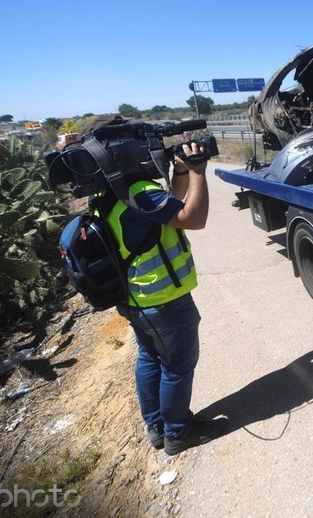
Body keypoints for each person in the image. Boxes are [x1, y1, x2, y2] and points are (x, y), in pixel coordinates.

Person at [83, 117, 225, 456]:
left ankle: (157, 427)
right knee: (177, 366)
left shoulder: (111, 194)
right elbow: (193, 218)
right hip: (165, 301)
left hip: (136, 299)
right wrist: (198, 173)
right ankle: (178, 432)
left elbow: (166, 209)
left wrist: (179, 173)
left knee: (149, 358)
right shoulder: (139, 193)